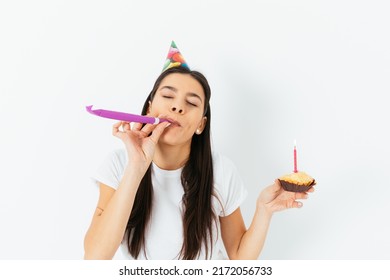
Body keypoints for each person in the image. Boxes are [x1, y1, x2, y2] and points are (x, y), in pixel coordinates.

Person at [84, 41, 314, 260]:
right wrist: (136, 166)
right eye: (167, 96)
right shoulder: (118, 164)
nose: (177, 106)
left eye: (192, 103)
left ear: (201, 125)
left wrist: (264, 210)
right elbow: (95, 257)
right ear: (148, 108)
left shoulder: (221, 171)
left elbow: (239, 256)